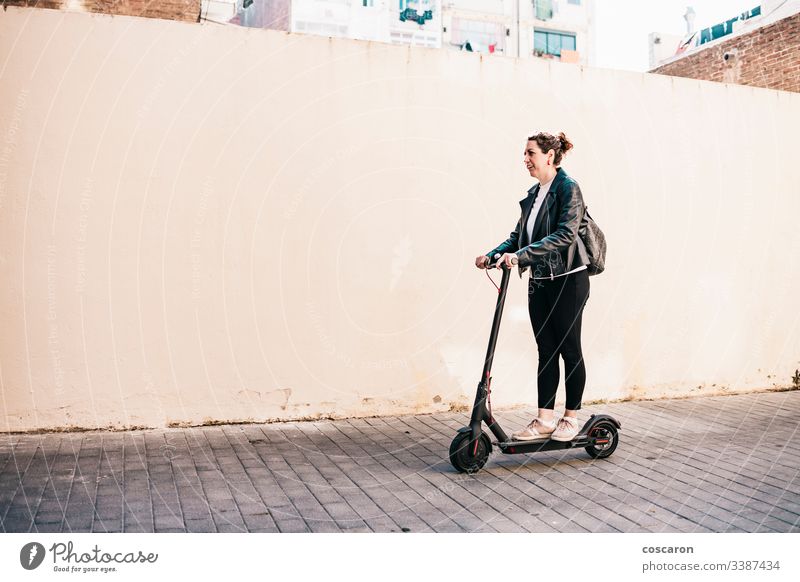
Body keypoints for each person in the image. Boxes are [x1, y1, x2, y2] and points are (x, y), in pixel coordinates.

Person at [475, 132, 590, 442]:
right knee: (546, 350)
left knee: (569, 348)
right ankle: (544, 419)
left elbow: (566, 234)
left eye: (530, 153)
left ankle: (571, 417)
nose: (525, 159)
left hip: (568, 279)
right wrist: (494, 254)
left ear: (549, 157)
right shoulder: (534, 194)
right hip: (540, 280)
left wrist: (520, 256)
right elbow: (518, 237)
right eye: (525, 154)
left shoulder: (568, 188)